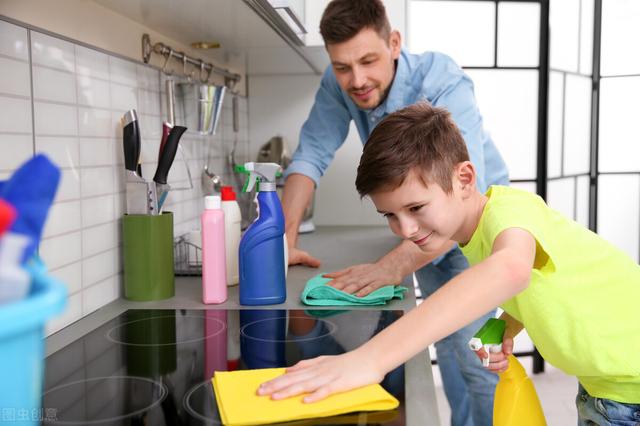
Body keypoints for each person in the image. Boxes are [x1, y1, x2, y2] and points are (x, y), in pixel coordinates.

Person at [260, 102, 640, 425]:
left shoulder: (512, 213)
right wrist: (502, 327)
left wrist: (371, 359)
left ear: (464, 179)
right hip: (604, 387)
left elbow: (511, 270)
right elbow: (538, 282)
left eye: (416, 207)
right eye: (390, 215)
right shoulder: (475, 235)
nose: (405, 229)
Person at [281, 0, 508, 423]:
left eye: (368, 61)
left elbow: (460, 198)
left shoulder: (441, 79)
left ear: (394, 44)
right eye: (342, 67)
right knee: (448, 344)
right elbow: (310, 154)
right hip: (426, 229)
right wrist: (283, 240)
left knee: (474, 353)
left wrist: (393, 265)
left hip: (474, 225)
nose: (357, 80)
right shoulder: (338, 82)